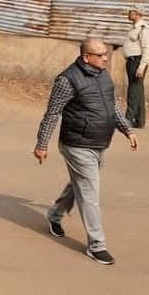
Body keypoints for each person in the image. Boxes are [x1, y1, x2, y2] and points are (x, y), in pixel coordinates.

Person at [34, 39, 138, 266]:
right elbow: (52, 114)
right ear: (85, 57)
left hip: (99, 142)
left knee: (80, 184)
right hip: (76, 145)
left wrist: (126, 130)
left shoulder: (102, 75)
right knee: (90, 192)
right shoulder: (67, 80)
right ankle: (97, 245)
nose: (105, 58)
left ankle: (55, 215)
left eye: (106, 54)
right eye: (100, 55)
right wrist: (42, 144)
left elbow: (111, 107)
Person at [121, 5, 149, 129]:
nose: (129, 14)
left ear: (138, 14)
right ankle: (139, 121)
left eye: (131, 12)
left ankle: (127, 121)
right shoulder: (134, 28)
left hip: (137, 62)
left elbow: (147, 49)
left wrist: (141, 67)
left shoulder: (144, 29)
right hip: (131, 61)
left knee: (133, 92)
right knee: (138, 91)